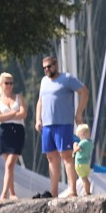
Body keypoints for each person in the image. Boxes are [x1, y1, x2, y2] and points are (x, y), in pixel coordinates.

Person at [35, 55, 89, 197]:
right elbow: (40, 101)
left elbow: (84, 91)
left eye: (49, 66)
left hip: (63, 123)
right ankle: (53, 192)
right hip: (47, 125)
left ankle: (72, 189)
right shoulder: (44, 81)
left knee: (66, 156)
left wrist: (79, 113)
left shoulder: (67, 79)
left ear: (56, 65)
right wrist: (37, 120)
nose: (47, 69)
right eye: (44, 67)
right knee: (51, 158)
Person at [0, 72, 26, 200]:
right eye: (7, 83)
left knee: (10, 164)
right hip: (4, 132)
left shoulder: (18, 97)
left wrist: (6, 115)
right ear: (1, 84)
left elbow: (23, 114)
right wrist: (13, 113)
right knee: (8, 165)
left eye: (11, 83)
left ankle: (4, 193)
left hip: (17, 131)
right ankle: (12, 193)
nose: (10, 86)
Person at [73, 124, 94, 196]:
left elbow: (77, 149)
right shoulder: (90, 143)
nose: (79, 138)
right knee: (85, 179)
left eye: (79, 136)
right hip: (86, 164)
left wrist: (75, 145)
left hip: (80, 163)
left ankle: (87, 192)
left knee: (84, 180)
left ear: (82, 134)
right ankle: (87, 191)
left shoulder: (83, 142)